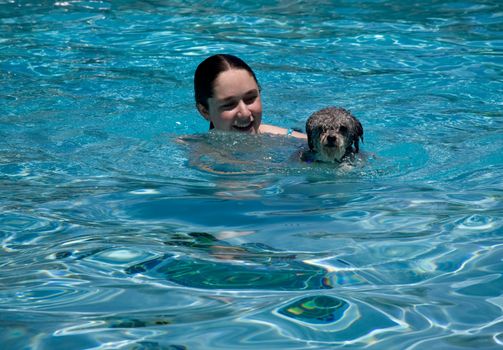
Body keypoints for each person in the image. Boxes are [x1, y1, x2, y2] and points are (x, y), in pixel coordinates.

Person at [194, 54, 306, 139]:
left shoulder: (291, 141)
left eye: (250, 98)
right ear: (205, 111)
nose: (245, 113)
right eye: (229, 104)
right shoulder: (192, 154)